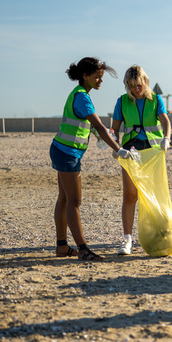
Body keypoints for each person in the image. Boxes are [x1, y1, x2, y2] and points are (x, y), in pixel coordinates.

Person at [50, 57, 132, 261]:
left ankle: (62, 246)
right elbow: (98, 125)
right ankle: (83, 249)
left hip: (61, 149)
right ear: (85, 76)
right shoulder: (82, 97)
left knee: (64, 199)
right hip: (68, 154)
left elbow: (91, 126)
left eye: (101, 77)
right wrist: (118, 148)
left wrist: (104, 138)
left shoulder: (79, 94)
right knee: (74, 201)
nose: (100, 81)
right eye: (97, 77)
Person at [111, 65, 172, 255]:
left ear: (146, 82)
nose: (137, 89)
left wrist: (167, 139)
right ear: (127, 86)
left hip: (152, 152)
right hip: (131, 152)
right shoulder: (122, 102)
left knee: (154, 194)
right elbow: (114, 130)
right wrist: (115, 147)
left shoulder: (156, 100)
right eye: (132, 86)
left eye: (140, 85)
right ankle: (127, 239)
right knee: (130, 195)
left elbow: (165, 122)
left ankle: (160, 234)